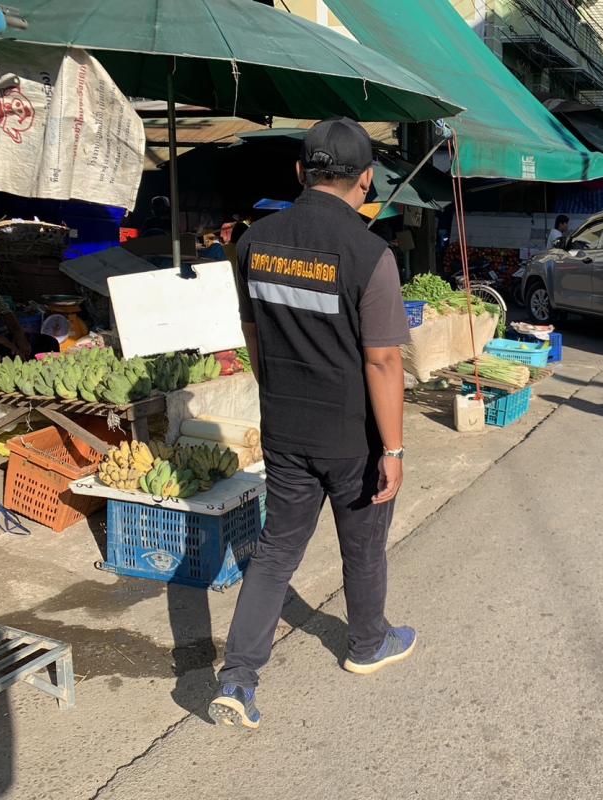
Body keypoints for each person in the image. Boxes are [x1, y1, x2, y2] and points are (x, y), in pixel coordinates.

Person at [210, 118, 414, 731]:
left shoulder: (253, 242)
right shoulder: (370, 254)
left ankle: (238, 678)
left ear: (301, 172)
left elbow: (252, 334)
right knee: (363, 547)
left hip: (285, 429)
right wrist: (394, 449)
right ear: (367, 179)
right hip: (352, 437)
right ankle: (368, 644)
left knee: (275, 552)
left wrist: (277, 393)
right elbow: (383, 361)